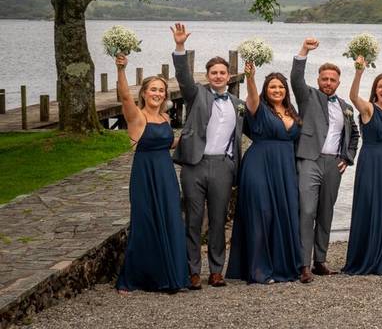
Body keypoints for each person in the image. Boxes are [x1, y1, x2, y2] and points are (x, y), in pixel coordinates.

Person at [170, 23, 244, 290]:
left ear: (229, 75)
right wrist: (180, 46)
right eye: (213, 72)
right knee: (192, 218)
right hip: (195, 165)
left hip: (223, 166)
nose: (218, 76)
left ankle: (215, 271)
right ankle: (192, 271)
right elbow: (182, 76)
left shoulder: (238, 105)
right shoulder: (196, 94)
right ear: (208, 75)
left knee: (218, 220)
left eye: (222, 72)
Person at [114, 54, 188, 293]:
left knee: (169, 218)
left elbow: (167, 144)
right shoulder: (137, 117)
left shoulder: (165, 117)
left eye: (161, 90)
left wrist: (190, 137)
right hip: (145, 174)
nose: (158, 94)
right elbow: (125, 96)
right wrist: (121, 70)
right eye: (153, 89)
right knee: (145, 220)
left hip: (166, 174)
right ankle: (139, 276)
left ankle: (170, 273)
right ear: (144, 93)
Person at [226, 63, 302, 284]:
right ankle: (258, 270)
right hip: (258, 165)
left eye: (280, 87)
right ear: (265, 90)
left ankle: (282, 266)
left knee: (282, 214)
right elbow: (250, 97)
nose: (277, 90)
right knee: (262, 213)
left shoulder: (292, 113)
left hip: (284, 169)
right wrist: (250, 77)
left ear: (286, 90)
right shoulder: (258, 108)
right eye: (272, 87)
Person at [291, 39, 359, 282]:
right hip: (309, 160)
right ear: (318, 80)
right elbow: (296, 79)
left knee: (325, 213)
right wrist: (304, 52)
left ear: (338, 82)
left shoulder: (346, 107)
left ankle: (320, 260)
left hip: (333, 165)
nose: (328, 83)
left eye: (332, 80)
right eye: (324, 79)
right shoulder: (308, 96)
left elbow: (355, 135)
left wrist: (347, 158)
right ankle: (303, 264)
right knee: (307, 211)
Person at [343, 58, 382, 275]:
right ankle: (366, 257)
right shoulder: (369, 109)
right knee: (369, 205)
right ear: (375, 90)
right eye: (380, 86)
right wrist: (359, 72)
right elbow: (352, 97)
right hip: (369, 161)